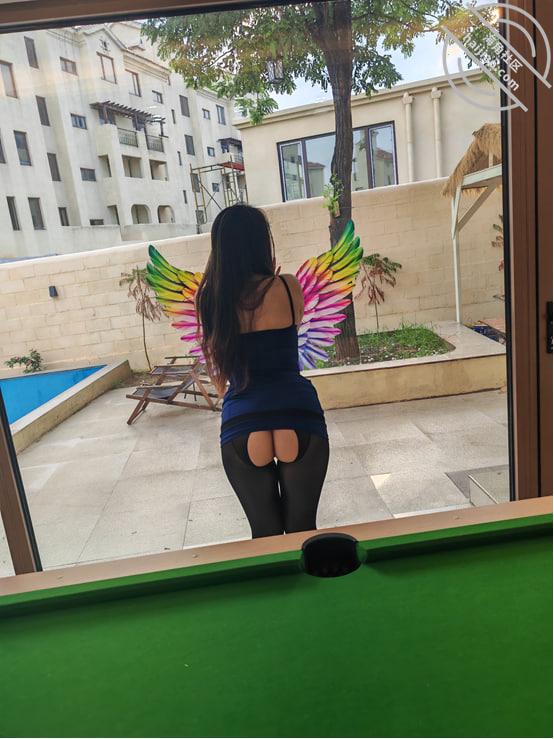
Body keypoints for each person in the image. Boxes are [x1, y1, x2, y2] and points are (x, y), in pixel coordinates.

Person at [196, 204, 329, 538]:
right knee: (303, 532)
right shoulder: (287, 286)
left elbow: (221, 372)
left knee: (264, 537)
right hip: (296, 411)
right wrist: (273, 279)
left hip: (244, 419)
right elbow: (290, 325)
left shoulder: (211, 300)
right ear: (261, 242)